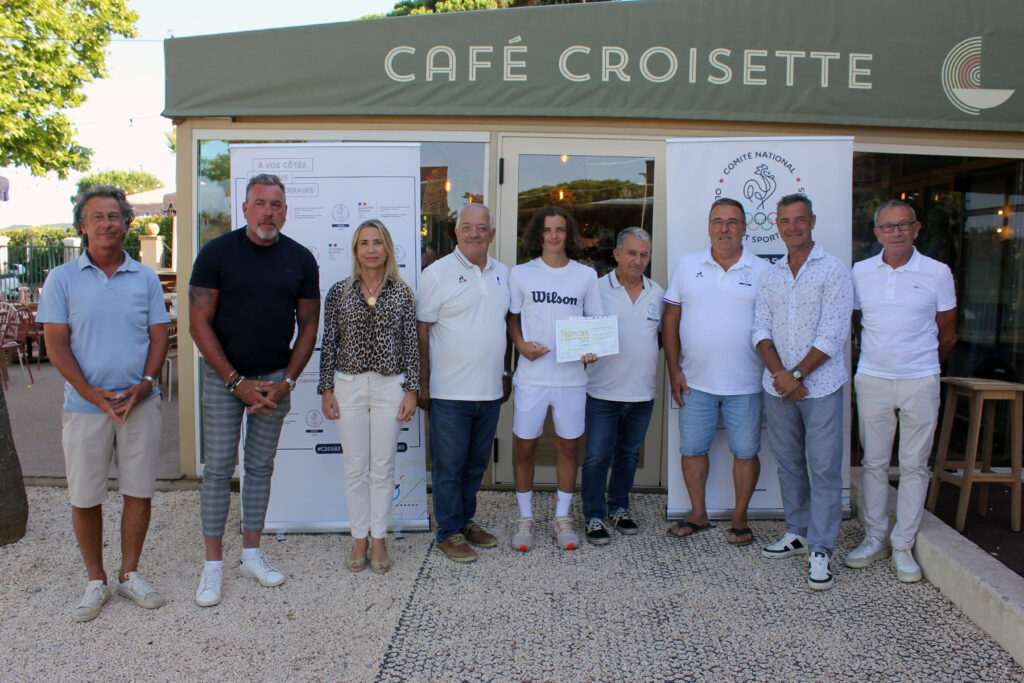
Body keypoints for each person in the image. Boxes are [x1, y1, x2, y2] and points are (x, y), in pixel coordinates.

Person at [38, 185, 170, 622]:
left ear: (126, 224)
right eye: (97, 217)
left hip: (139, 404)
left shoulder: (145, 278)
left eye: (114, 216)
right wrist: (89, 391)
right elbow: (56, 344)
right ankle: (96, 580)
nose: (107, 224)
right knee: (84, 495)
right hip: (85, 406)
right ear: (83, 225)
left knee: (139, 491)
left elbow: (158, 337)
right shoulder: (62, 279)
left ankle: (129, 574)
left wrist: (146, 384)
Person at [189, 174, 320, 606]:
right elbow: (198, 323)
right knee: (217, 469)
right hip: (223, 378)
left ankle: (250, 554)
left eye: (275, 205)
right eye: (260, 204)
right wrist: (235, 382)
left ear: (286, 211)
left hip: (274, 380)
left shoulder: (300, 258)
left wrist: (287, 382)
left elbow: (309, 326)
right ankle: (213, 565)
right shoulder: (216, 253)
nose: (268, 212)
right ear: (245, 208)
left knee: (260, 467)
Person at [845, 200, 957, 582]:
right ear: (877, 233)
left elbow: (948, 332)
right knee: (874, 463)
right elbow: (856, 322)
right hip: (873, 377)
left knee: (914, 465)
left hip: (920, 380)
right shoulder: (860, 272)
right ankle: (875, 537)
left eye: (903, 225)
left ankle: (903, 544)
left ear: (916, 228)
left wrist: (922, 365)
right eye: (888, 227)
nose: (896, 233)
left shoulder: (937, 272)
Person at [753, 193, 853, 591]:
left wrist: (796, 375)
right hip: (778, 388)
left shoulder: (833, 270)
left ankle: (821, 548)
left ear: (812, 221)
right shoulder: (772, 274)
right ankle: (796, 531)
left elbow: (833, 333)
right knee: (789, 463)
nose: (792, 227)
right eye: (785, 220)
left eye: (799, 219)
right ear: (776, 225)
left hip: (821, 387)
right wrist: (781, 375)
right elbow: (760, 328)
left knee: (824, 469)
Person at [663, 199, 770, 546]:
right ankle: (698, 513)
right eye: (717, 222)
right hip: (695, 381)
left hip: (747, 382)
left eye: (732, 222)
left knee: (746, 452)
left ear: (744, 228)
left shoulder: (763, 270)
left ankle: (740, 517)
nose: (725, 229)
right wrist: (674, 370)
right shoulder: (687, 265)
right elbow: (671, 320)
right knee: (693, 449)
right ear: (709, 228)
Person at [319, 219, 419, 574]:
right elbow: (329, 343)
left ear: (387, 248)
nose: (371, 249)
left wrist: (412, 390)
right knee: (355, 467)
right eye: (364, 243)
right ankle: (358, 537)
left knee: (383, 466)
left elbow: (411, 345)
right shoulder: (338, 292)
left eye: (378, 242)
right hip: (348, 385)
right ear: (355, 250)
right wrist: (326, 389)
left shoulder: (402, 293)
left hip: (390, 386)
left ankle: (379, 538)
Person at [417, 204, 511, 563]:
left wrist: (506, 372)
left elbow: (505, 326)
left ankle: (465, 521)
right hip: (449, 391)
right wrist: (424, 383)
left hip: (489, 390)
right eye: (467, 227)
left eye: (482, 228)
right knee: (449, 467)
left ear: (492, 234)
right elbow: (422, 329)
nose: (475, 234)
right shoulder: (436, 273)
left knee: (474, 466)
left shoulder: (504, 274)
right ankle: (448, 532)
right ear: (456, 232)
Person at [508, 207, 602, 551]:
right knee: (525, 447)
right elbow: (512, 318)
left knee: (569, 447)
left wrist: (591, 349)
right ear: (538, 234)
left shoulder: (585, 275)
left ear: (569, 234)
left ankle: (562, 518)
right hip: (532, 377)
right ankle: (526, 518)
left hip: (571, 379)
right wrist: (520, 345)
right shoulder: (521, 273)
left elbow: (595, 324)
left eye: (560, 229)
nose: (553, 236)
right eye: (547, 230)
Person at [580, 227, 663, 545]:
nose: (637, 260)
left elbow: (658, 339)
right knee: (597, 457)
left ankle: (619, 508)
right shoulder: (597, 288)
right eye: (631, 253)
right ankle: (593, 514)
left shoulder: (657, 293)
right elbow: (581, 331)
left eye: (644, 254)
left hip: (642, 393)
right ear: (616, 254)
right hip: (603, 392)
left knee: (628, 456)